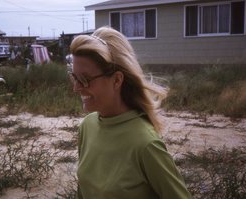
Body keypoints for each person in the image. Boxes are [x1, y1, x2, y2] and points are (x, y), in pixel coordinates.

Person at [68, 26, 192, 199]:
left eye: (84, 80)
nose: (76, 88)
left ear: (117, 80)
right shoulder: (87, 127)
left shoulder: (145, 144)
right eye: (74, 77)